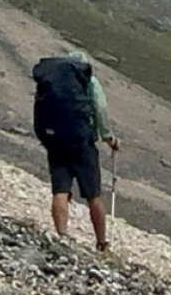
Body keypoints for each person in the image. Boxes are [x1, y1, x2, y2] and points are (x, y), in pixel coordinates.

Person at [33, 51, 118, 252]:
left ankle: (62, 235)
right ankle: (101, 242)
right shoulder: (88, 81)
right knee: (93, 195)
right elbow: (100, 109)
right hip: (82, 143)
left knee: (61, 190)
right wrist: (109, 138)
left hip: (55, 141)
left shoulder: (52, 81)